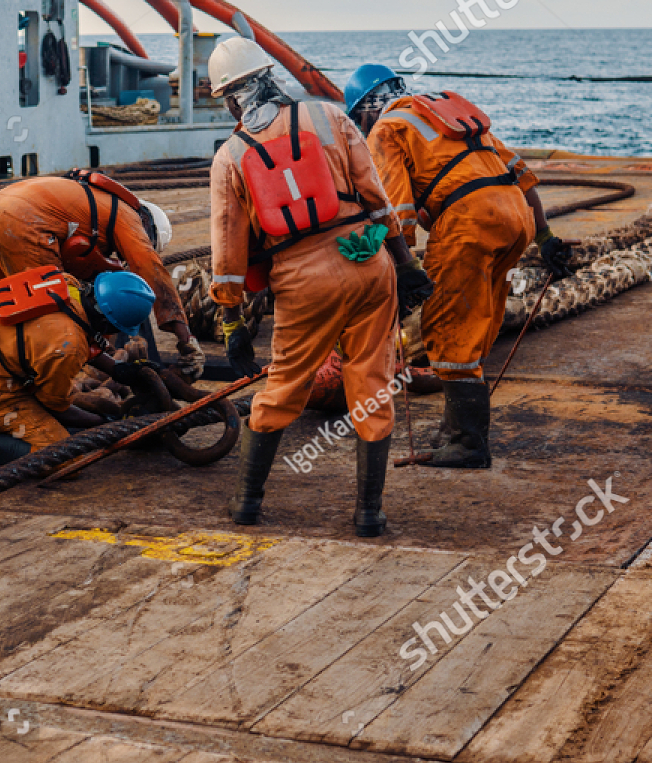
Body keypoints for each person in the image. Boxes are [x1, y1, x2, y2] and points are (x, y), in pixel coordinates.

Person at [206, 38, 433, 538]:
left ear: (231, 98)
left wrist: (230, 323)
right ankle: (369, 514)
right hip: (371, 265)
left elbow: (228, 253)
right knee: (372, 386)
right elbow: (377, 198)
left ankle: (246, 503)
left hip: (304, 283)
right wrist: (406, 264)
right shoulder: (333, 118)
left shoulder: (231, 156)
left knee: (284, 385)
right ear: (270, 76)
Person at [345, 63, 573, 469]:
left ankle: (469, 444)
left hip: (469, 222)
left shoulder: (386, 129)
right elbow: (521, 175)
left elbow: (393, 210)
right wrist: (546, 238)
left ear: (366, 109)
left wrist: (404, 266)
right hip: (515, 217)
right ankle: (457, 431)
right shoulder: (445, 112)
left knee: (448, 326)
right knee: (479, 318)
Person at [0, 172, 204, 380]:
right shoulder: (130, 217)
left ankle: (1, 365)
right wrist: (186, 340)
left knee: (10, 303)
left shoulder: (95, 205)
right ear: (147, 225)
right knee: (55, 310)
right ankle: (55, 380)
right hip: (24, 221)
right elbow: (152, 271)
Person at [0, 269, 159, 476]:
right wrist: (105, 422)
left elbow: (80, 331)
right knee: (66, 461)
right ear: (107, 323)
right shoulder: (67, 345)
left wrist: (118, 369)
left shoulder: (68, 286)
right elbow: (57, 405)